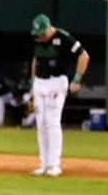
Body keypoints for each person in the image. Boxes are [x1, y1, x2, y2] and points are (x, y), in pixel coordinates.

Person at [29, 14, 90, 177]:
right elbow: (35, 59)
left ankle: (54, 164)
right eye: (37, 34)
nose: (40, 37)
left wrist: (77, 79)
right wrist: (32, 82)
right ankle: (44, 164)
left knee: (52, 122)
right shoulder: (38, 39)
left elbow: (84, 56)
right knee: (40, 123)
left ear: (49, 28)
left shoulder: (63, 37)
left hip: (56, 82)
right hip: (39, 82)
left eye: (42, 33)